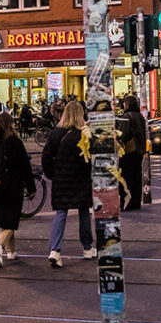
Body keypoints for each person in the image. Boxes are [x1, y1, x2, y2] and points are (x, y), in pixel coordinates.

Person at [0, 113, 36, 268]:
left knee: (4, 217)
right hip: (12, 185)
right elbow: (25, 166)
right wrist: (31, 187)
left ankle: (11, 251)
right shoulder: (15, 142)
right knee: (12, 219)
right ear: (11, 124)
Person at [42, 101, 93, 268]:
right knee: (84, 212)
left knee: (61, 213)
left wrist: (53, 174)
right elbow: (91, 157)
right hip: (81, 178)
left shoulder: (56, 133)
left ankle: (55, 251)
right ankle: (87, 248)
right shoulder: (84, 133)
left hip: (61, 179)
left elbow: (46, 157)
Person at [118, 96, 146, 211]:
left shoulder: (127, 117)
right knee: (136, 177)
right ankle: (136, 202)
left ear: (127, 104)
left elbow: (122, 135)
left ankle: (126, 203)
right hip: (139, 151)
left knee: (126, 178)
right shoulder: (140, 116)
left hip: (129, 151)